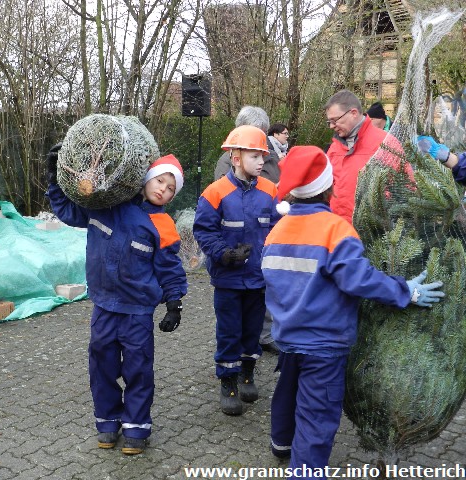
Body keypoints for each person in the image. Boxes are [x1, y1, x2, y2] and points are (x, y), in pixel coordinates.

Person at [261, 145, 445, 476]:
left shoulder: (277, 231)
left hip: (287, 336)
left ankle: (281, 443)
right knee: (317, 414)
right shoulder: (335, 230)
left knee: (287, 391)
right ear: (329, 188)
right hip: (324, 344)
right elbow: (360, 280)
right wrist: (406, 291)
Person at [46, 146, 188, 455]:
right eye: (160, 181)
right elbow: (69, 211)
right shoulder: (106, 205)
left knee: (138, 369)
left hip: (137, 312)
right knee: (102, 367)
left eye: (171, 188)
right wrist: (56, 178)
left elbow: (169, 267)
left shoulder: (163, 225)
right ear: (146, 178)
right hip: (104, 307)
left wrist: (174, 303)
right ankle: (107, 422)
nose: (163, 190)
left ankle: (136, 427)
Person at [193, 125, 281, 416]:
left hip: (258, 279)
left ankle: (247, 372)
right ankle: (228, 382)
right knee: (229, 332)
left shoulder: (270, 191)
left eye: (263, 156)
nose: (261, 162)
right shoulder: (215, 192)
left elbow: (278, 231)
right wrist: (224, 254)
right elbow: (204, 231)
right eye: (254, 156)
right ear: (235, 158)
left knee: (253, 330)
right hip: (228, 280)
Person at [324, 90, 405, 225]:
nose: (332, 126)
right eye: (329, 122)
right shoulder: (334, 148)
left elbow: (404, 188)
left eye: (335, 120)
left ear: (353, 113)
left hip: (373, 230)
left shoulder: (385, 143)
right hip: (338, 229)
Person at [213, 106, 272, 181]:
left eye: (262, 133)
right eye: (253, 134)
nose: (259, 138)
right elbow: (225, 187)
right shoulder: (226, 162)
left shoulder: (273, 157)